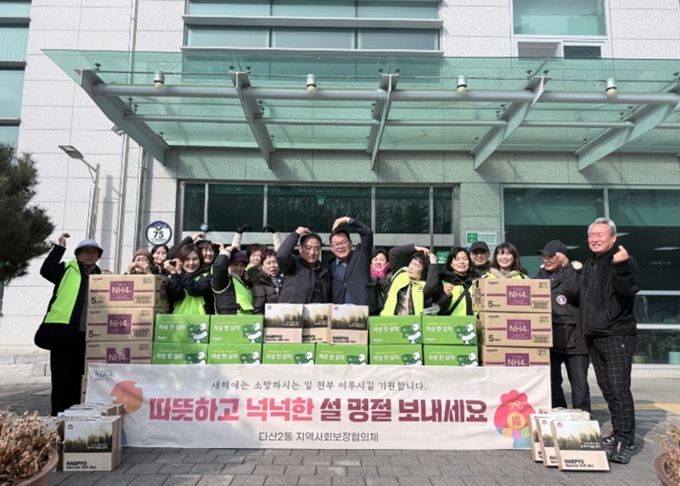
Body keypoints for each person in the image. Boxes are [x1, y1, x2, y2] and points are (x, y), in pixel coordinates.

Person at [580, 217, 640, 464]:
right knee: (607, 388)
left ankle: (626, 440)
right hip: (595, 335)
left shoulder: (622, 260)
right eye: (591, 235)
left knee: (619, 389)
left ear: (613, 238)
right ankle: (617, 432)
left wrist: (621, 266)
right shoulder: (590, 263)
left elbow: (629, 290)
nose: (595, 239)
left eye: (600, 235)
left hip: (617, 334)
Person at [34, 233, 102, 415]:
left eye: (93, 252)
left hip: (88, 337)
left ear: (98, 256)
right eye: (85, 252)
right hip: (63, 334)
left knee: (81, 379)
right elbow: (46, 270)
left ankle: (76, 416)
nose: (89, 255)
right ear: (78, 254)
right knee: (61, 380)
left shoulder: (102, 276)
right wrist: (60, 248)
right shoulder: (66, 268)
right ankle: (58, 416)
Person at [535, 240, 590, 412]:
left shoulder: (576, 273)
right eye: (544, 257)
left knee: (579, 382)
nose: (546, 260)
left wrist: (567, 267)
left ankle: (583, 415)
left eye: (551, 256)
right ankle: (559, 413)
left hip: (575, 338)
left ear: (562, 257)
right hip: (550, 337)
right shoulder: (540, 276)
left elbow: (575, 292)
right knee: (552, 381)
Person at [380, 244, 438, 316]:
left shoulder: (422, 285)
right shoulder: (400, 272)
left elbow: (431, 286)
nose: (411, 267)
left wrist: (433, 264)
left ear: (423, 271)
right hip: (389, 320)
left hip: (413, 322)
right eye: (412, 263)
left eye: (416, 265)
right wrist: (415, 248)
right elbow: (393, 253)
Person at [277, 227, 330, 303]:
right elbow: (282, 256)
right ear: (300, 249)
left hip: (318, 310)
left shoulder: (325, 270)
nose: (312, 252)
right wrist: (296, 233)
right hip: (293, 310)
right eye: (308, 248)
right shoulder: (293, 264)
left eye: (316, 248)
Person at [328, 216, 373, 305]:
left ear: (351, 243)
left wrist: (348, 220)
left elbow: (367, 233)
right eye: (336, 244)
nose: (341, 246)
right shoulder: (329, 267)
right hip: (339, 311)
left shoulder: (361, 257)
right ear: (331, 248)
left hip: (362, 310)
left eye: (344, 242)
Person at [427, 246, 477, 316]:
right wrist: (445, 296)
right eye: (457, 259)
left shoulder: (476, 281)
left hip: (473, 322)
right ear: (451, 263)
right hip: (451, 322)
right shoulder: (443, 280)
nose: (461, 262)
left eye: (465, 259)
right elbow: (438, 310)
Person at [164, 244, 213, 315]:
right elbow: (176, 296)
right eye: (187, 259)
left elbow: (196, 290)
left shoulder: (207, 276)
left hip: (202, 320)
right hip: (177, 320)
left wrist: (180, 272)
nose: (191, 263)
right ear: (180, 261)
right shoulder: (174, 277)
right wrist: (173, 273)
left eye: (195, 259)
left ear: (200, 260)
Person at [212, 245, 254, 314]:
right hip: (229, 320)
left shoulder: (244, 283)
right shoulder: (224, 282)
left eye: (242, 265)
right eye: (235, 265)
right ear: (227, 266)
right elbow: (219, 267)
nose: (239, 268)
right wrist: (227, 250)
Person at [251, 248, 285, 314]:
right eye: (268, 263)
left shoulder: (286, 279)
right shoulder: (258, 281)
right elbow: (258, 307)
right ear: (262, 266)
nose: (272, 265)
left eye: (275, 262)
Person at [367, 249, 391, 315]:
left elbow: (389, 291)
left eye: (382, 260)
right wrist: (373, 277)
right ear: (371, 262)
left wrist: (382, 277)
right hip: (370, 313)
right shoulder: (366, 276)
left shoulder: (391, 276)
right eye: (375, 259)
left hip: (386, 313)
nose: (378, 262)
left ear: (387, 262)